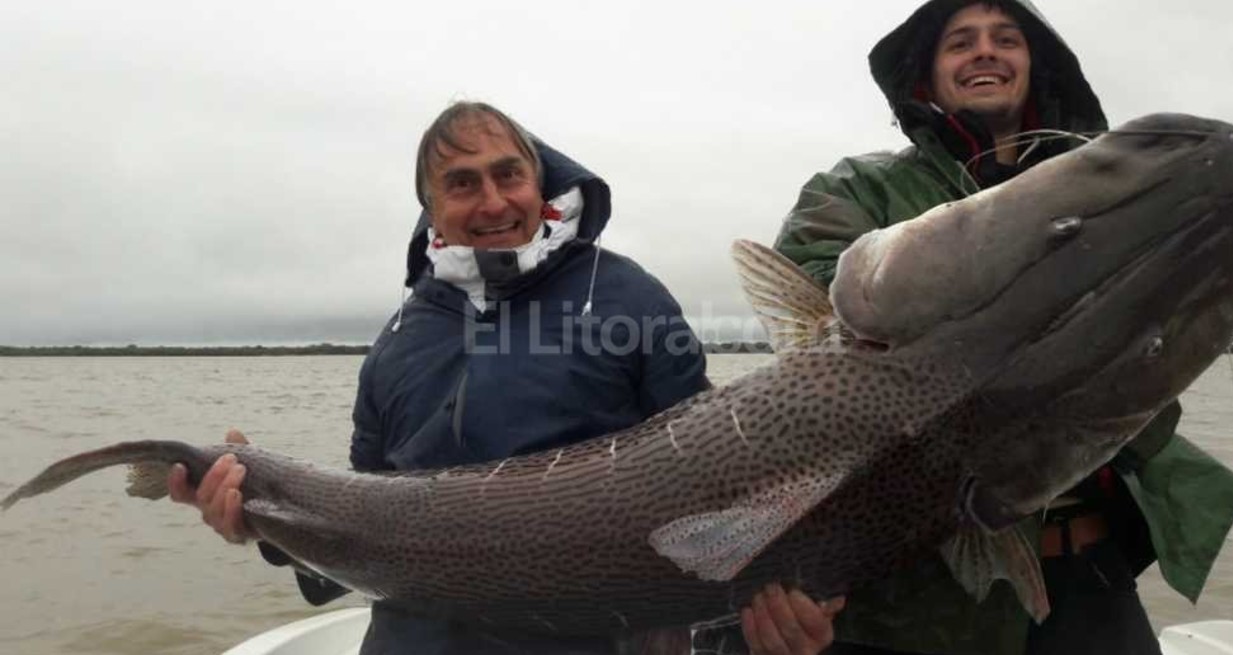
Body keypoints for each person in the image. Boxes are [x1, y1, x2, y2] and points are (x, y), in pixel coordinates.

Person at [168, 102, 842, 655]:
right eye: (462, 183)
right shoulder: (396, 343)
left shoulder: (631, 299)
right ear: (430, 208)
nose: (493, 200)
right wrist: (266, 524)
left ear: (540, 183)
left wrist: (770, 611)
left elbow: (728, 490)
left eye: (509, 175)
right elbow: (361, 537)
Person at [771, 2, 1233, 655]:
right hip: (923, 598)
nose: (985, 53)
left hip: (1092, 572)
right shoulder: (855, 189)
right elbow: (822, 332)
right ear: (927, 76)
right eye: (959, 43)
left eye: (1006, 39)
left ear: (1035, 64)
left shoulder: (1104, 195)